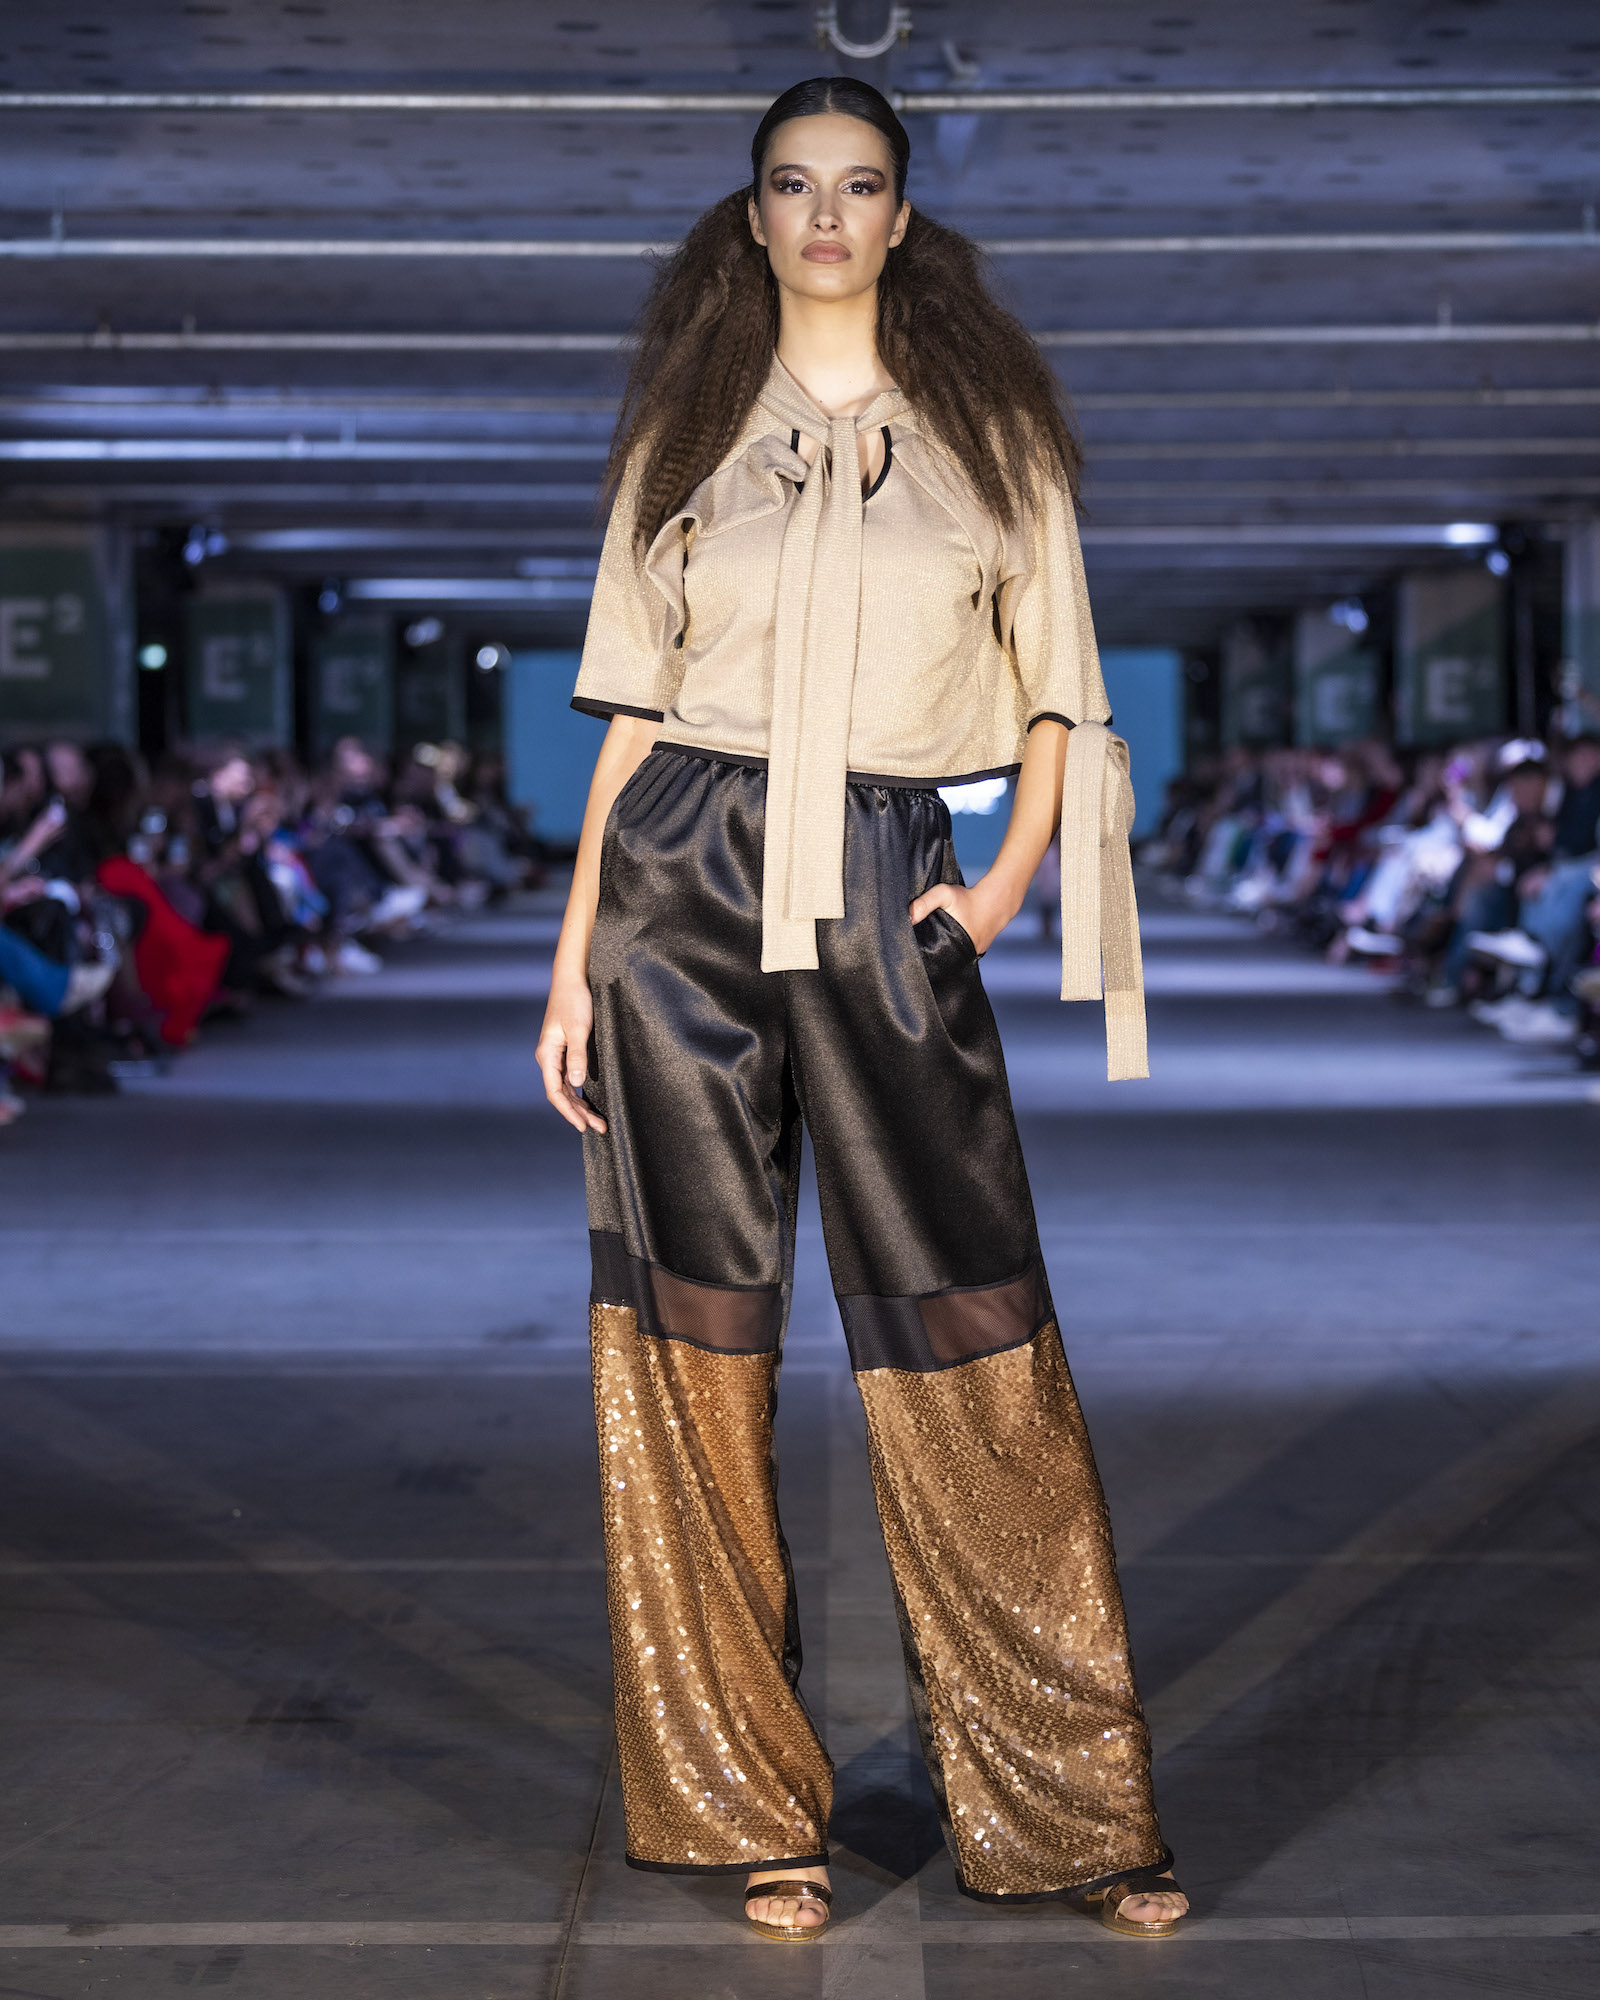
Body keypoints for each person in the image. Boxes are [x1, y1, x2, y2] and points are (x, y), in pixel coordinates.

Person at [535, 77, 1183, 1944]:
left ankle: (1073, 1814)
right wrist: (574, 963)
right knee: (693, 1339)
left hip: (892, 883)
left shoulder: (994, 437)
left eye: (861, 184)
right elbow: (632, 719)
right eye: (794, 185)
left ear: (906, 217)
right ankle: (751, 1811)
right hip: (679, 886)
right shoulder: (682, 435)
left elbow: (1059, 696)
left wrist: (1000, 889)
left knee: (969, 1322)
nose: (827, 214)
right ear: (752, 218)